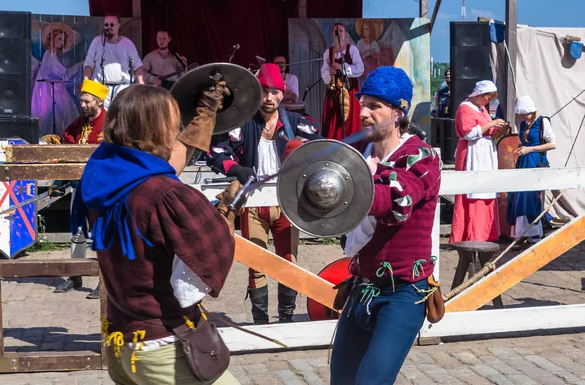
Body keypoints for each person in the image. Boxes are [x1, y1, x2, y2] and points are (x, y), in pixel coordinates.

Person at [71, 82, 242, 384]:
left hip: (122, 343)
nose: (175, 129)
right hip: (162, 347)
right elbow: (207, 260)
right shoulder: (162, 194)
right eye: (171, 122)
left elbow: (160, 168)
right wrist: (224, 216)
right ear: (155, 129)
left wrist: (205, 115)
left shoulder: (102, 175)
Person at [331, 66, 442, 384]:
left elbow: (398, 204)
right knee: (342, 381)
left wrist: (363, 178)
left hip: (404, 294)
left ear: (398, 112)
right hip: (362, 287)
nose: (363, 113)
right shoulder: (360, 157)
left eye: (374, 106)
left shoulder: (421, 156)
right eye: (362, 104)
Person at [206, 63, 321, 325]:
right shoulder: (243, 124)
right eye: (264, 91)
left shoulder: (297, 124)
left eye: (274, 92)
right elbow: (215, 154)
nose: (268, 98)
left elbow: (321, 149)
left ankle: (286, 318)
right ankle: (260, 320)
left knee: (288, 262)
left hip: (287, 204)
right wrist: (237, 168)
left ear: (283, 94)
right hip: (253, 205)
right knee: (256, 263)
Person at [51, 79, 109, 298]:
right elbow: (67, 143)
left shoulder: (110, 122)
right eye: (81, 101)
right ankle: (75, 275)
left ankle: (104, 279)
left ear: (99, 101)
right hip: (79, 186)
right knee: (77, 230)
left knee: (100, 231)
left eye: (87, 101)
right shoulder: (78, 124)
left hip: (102, 188)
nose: (83, 105)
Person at [449, 80, 508, 244]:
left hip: (485, 152)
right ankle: (469, 233)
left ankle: (484, 232)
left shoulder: (481, 109)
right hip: (472, 152)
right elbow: (469, 133)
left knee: (486, 189)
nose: (489, 100)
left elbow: (488, 132)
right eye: (488, 96)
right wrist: (491, 123)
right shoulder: (464, 108)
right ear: (480, 94)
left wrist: (499, 129)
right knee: (471, 191)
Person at [506, 95, 556, 248]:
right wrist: (522, 148)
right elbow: (524, 141)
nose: (521, 116)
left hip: (535, 162)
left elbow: (552, 144)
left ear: (530, 111)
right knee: (518, 197)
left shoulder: (542, 122)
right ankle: (521, 234)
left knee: (530, 197)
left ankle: (534, 234)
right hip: (524, 162)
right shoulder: (523, 124)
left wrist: (530, 149)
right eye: (520, 113)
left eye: (524, 113)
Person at [32, 22, 83, 135]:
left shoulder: (52, 55)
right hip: (50, 92)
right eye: (59, 39)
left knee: (62, 117)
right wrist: (79, 66)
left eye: (62, 40)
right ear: (52, 37)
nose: (60, 42)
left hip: (55, 90)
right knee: (59, 117)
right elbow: (64, 74)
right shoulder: (50, 55)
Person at [83, 15, 144, 110]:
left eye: (112, 25)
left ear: (118, 26)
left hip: (121, 88)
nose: (108, 27)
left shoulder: (127, 43)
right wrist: (86, 82)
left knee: (121, 117)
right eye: (106, 25)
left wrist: (141, 84)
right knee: (101, 119)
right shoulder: (97, 42)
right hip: (101, 88)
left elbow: (137, 65)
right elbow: (89, 64)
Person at [321, 23, 364, 141]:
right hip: (334, 92)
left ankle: (353, 144)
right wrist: (329, 73)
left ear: (345, 34)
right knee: (333, 120)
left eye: (340, 31)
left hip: (349, 91)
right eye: (336, 31)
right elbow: (324, 72)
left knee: (351, 120)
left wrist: (343, 67)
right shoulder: (327, 52)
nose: (338, 33)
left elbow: (359, 68)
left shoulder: (352, 49)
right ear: (332, 34)